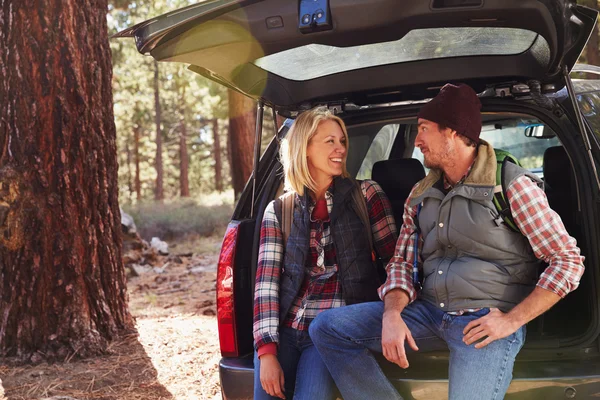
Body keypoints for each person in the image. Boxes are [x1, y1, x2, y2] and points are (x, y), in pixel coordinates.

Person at [309, 84, 585, 400]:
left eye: (424, 129)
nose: (417, 140)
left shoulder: (511, 184)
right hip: (427, 312)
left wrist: (511, 321)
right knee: (327, 329)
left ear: (452, 132)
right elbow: (402, 264)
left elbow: (567, 260)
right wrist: (392, 313)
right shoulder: (419, 194)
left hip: (483, 323)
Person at [253, 106, 398, 399]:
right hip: (285, 330)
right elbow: (266, 284)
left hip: (331, 332)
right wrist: (266, 352)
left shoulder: (367, 195)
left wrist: (390, 316)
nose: (340, 149)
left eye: (342, 141)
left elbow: (395, 262)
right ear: (304, 148)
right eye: (329, 141)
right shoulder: (280, 209)